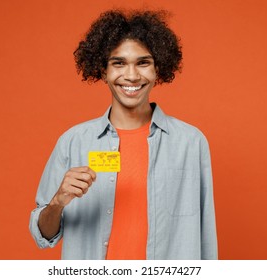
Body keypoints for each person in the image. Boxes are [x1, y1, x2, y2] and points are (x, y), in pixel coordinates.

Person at [29, 9, 217, 260]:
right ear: (103, 70)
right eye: (118, 63)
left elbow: (205, 237)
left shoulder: (190, 143)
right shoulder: (73, 142)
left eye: (143, 62)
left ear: (157, 68)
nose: (131, 75)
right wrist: (58, 201)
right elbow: (43, 235)